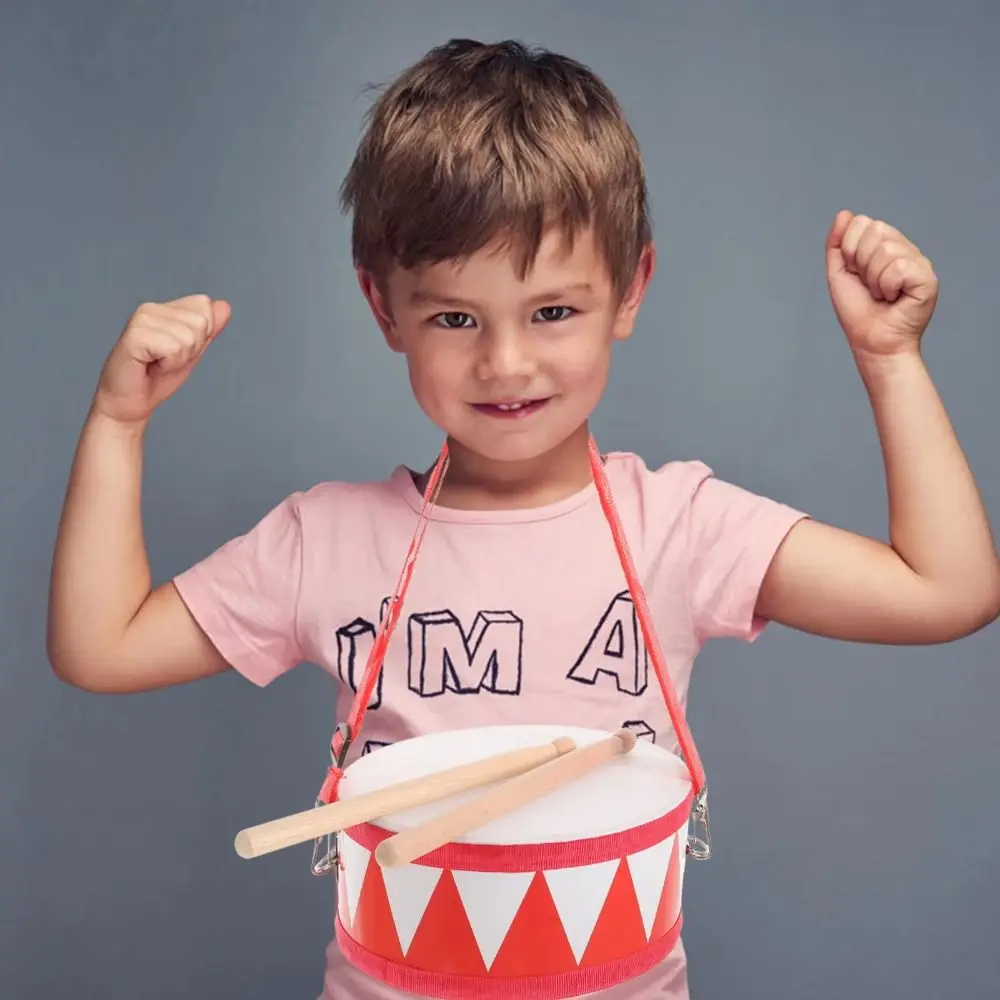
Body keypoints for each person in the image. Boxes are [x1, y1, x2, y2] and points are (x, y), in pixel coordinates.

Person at [47, 36, 999, 1000]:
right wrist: (118, 424)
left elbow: (947, 592)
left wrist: (891, 362)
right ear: (384, 309)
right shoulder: (326, 542)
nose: (507, 364)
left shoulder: (678, 527)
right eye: (456, 319)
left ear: (629, 291)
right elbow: (102, 646)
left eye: (552, 312)